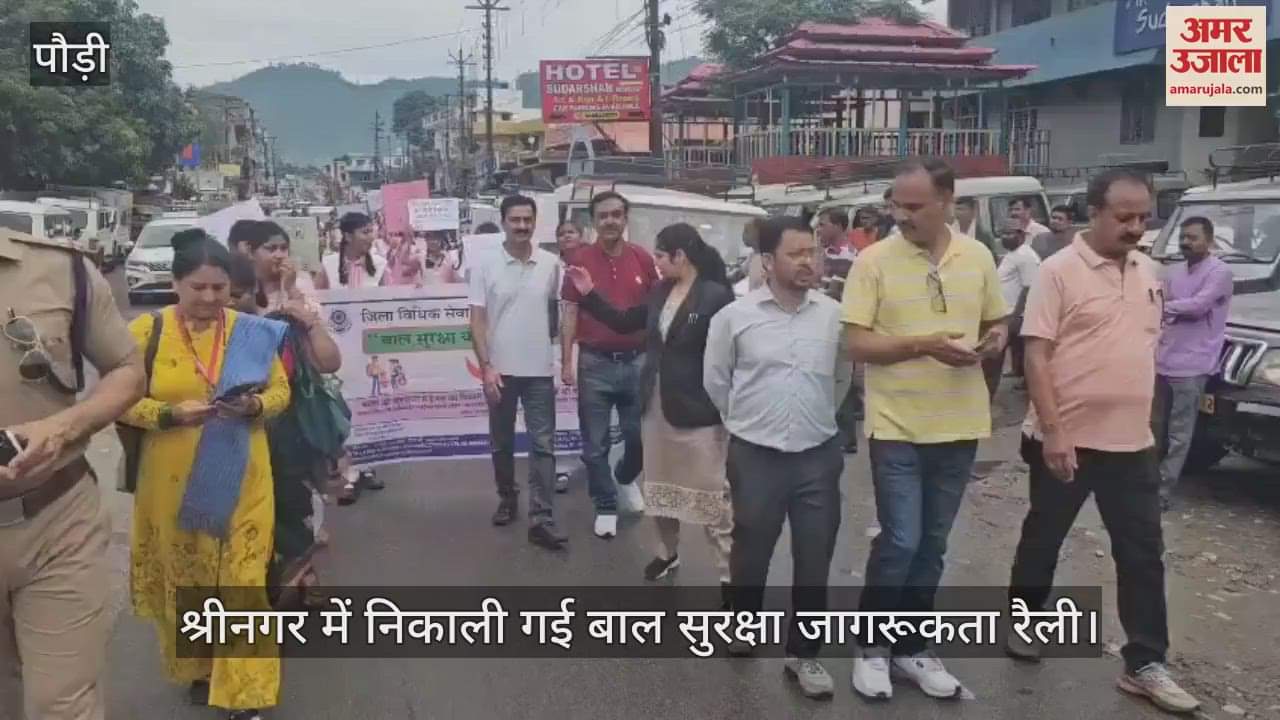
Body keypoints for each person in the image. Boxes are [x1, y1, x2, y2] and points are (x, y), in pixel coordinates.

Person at [1006, 169, 1199, 715]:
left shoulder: (1149, 271)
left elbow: (1143, 349)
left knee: (1142, 552)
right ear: (1095, 211)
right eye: (1124, 217)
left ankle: (1144, 662)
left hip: (1131, 442)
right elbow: (1037, 354)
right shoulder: (1058, 271)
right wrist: (1055, 431)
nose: (1136, 227)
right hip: (1066, 439)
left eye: (1143, 217)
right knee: (1044, 536)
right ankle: (1026, 621)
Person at [843, 159, 1009, 702]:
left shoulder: (979, 256)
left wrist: (995, 340)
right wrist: (921, 345)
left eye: (914, 206)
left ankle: (912, 647)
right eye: (897, 204)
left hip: (959, 423)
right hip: (896, 424)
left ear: (947, 202)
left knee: (933, 544)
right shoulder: (873, 262)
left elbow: (996, 320)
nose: (901, 215)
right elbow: (858, 345)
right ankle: (871, 646)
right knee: (900, 539)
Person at [119, 230, 291, 720]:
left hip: (244, 475)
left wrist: (256, 403)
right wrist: (168, 415)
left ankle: (246, 695)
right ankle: (201, 667)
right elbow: (118, 403)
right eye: (199, 288)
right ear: (176, 284)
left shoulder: (250, 332)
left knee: (242, 580)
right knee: (189, 576)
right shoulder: (146, 334)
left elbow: (282, 392)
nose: (211, 298)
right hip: (171, 480)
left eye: (219, 288)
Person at [0, 227, 144, 720]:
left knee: (60, 705)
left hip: (56, 519)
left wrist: (63, 426)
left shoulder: (61, 269)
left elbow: (127, 368)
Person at [704, 216, 849, 700]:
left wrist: (816, 420)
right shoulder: (735, 316)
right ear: (768, 262)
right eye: (797, 254)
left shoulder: (832, 314)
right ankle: (742, 628)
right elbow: (716, 382)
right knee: (752, 553)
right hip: (756, 457)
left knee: (814, 558)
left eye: (814, 251)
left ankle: (804, 656)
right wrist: (749, 425)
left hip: (817, 456)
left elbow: (843, 379)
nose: (810, 261)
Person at [565, 223, 735, 591]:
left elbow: (731, 354)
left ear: (680, 256)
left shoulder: (715, 296)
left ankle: (728, 575)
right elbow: (626, 321)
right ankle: (667, 552)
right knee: (660, 490)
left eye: (660, 255)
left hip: (699, 410)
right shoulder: (660, 291)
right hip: (656, 407)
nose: (655, 262)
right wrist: (590, 294)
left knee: (712, 499)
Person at [468, 195, 567, 550]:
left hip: (539, 369)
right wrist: (487, 367)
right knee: (502, 442)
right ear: (504, 222)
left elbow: (560, 315)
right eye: (515, 220)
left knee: (543, 444)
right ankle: (508, 498)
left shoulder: (551, 264)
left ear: (535, 221)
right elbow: (476, 320)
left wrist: (562, 358)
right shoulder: (485, 264)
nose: (522, 226)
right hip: (500, 372)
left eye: (527, 220)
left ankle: (542, 517)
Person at [560, 191, 659, 538]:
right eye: (603, 216)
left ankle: (625, 477)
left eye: (617, 214)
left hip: (637, 363)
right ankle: (605, 504)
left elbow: (655, 310)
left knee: (639, 438)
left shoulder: (643, 259)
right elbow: (570, 311)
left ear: (625, 217)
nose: (610, 221)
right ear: (594, 221)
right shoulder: (580, 260)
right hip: (594, 364)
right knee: (595, 443)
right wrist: (566, 362)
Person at [1154, 216, 1232, 510]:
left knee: (1179, 433)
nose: (1186, 242)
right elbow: (1159, 299)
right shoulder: (1174, 271)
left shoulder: (1220, 272)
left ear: (1209, 241)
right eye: (1183, 237)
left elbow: (1198, 306)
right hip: (1164, 359)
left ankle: (1162, 492)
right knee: (1154, 430)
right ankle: (1147, 484)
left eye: (1193, 237)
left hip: (1193, 364)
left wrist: (1162, 307)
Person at [316, 212, 387, 502]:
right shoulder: (329, 265)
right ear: (347, 236)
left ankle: (365, 467)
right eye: (364, 232)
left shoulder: (381, 265)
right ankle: (347, 474)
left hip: (369, 347)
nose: (370, 237)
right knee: (342, 407)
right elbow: (316, 301)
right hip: (337, 349)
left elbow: (391, 303)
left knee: (369, 403)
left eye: (371, 232)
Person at [984, 216, 1041, 396]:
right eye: (1003, 233)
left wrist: (1016, 316)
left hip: (1013, 315)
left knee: (993, 359)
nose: (1005, 237)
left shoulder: (1026, 256)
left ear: (1022, 235)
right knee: (1005, 358)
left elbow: (1029, 287)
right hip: (1005, 312)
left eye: (1010, 233)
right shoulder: (1012, 254)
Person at [553, 220, 587, 494]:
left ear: (582, 235)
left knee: (587, 409)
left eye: (571, 232)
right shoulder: (551, 266)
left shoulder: (592, 264)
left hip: (583, 345)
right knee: (562, 409)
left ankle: (592, 461)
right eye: (562, 234)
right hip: (553, 344)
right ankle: (562, 468)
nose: (567, 237)